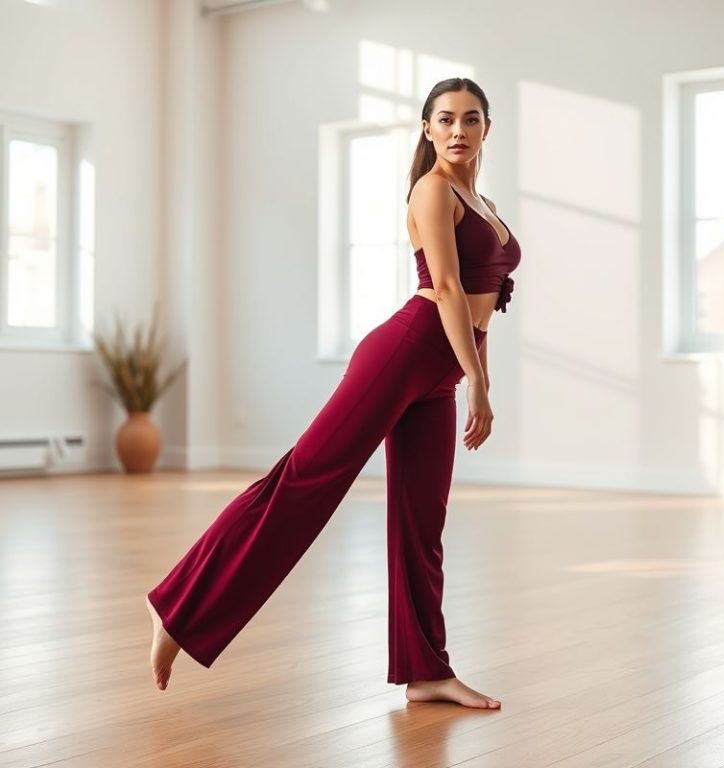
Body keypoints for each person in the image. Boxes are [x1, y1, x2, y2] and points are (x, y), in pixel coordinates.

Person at [146, 76, 521, 710]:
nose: (458, 129)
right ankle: (177, 607)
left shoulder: (481, 202)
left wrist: (471, 374)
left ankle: (426, 670)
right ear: (427, 128)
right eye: (446, 118)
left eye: (471, 118)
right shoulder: (432, 190)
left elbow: (483, 302)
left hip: (444, 369)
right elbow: (448, 288)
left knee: (421, 522)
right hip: (405, 352)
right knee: (305, 481)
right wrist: (480, 384)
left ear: (488, 128)